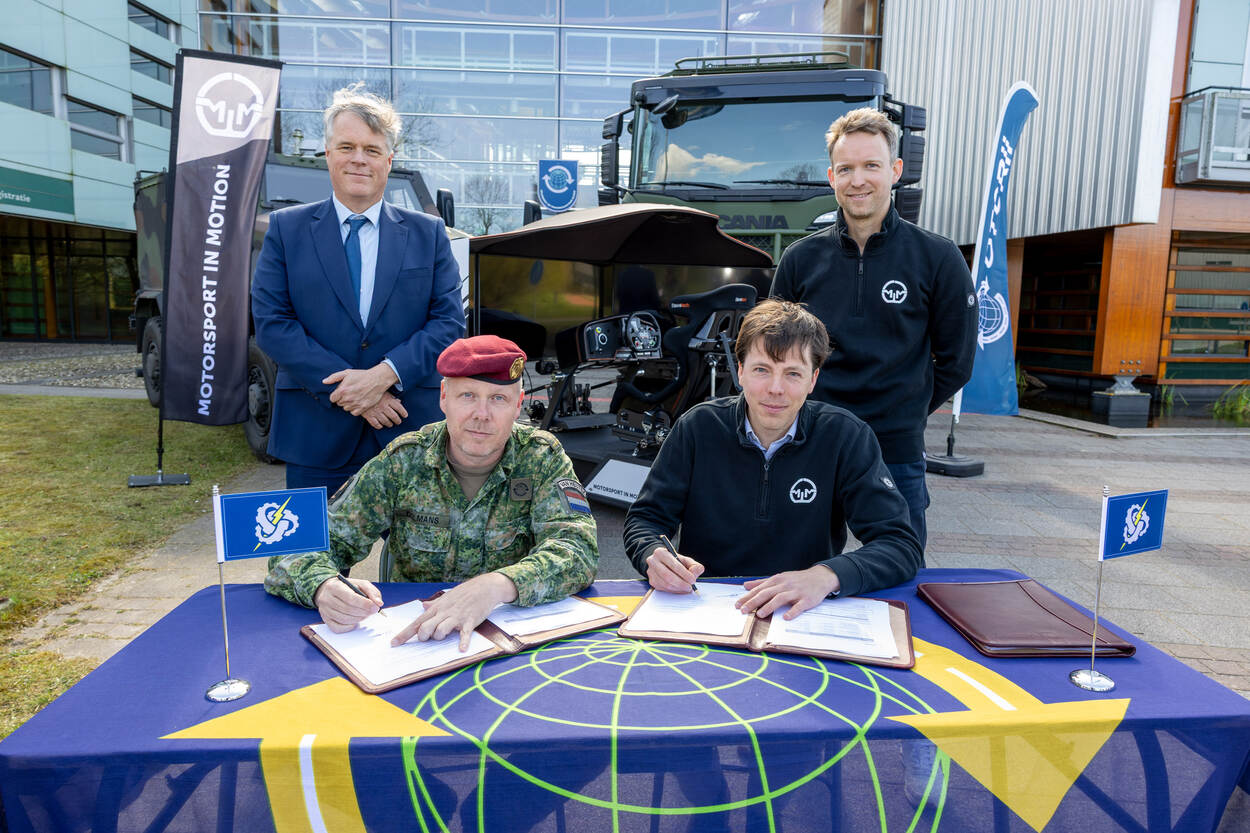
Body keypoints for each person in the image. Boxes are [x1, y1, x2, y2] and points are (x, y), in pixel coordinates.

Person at [264, 335, 599, 650]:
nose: (481, 415)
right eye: (467, 396)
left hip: (507, 640)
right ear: (443, 397)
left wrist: (496, 585)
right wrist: (325, 587)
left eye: (498, 399)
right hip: (416, 642)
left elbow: (578, 549)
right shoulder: (404, 462)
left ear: (518, 405)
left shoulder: (541, 458)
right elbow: (301, 543)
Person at [623, 299, 921, 618]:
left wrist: (827, 576)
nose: (775, 389)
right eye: (762, 370)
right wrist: (652, 554)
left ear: (813, 380)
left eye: (793, 373)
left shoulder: (846, 436)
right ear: (740, 372)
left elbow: (900, 544)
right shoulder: (697, 428)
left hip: (803, 612)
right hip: (705, 607)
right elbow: (646, 519)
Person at [770, 107, 977, 552]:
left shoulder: (938, 258)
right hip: (812, 439)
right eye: (846, 168)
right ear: (831, 176)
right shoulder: (800, 260)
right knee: (795, 570)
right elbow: (775, 353)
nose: (858, 179)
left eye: (871, 166)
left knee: (899, 572)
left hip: (896, 447)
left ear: (896, 171)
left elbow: (957, 362)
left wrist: (906, 406)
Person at [252, 84, 464, 494]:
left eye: (371, 149)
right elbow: (274, 325)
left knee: (415, 560)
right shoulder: (286, 230)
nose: (359, 160)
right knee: (318, 559)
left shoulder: (429, 233)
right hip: (317, 434)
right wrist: (359, 393)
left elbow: (448, 324)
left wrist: (384, 375)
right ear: (328, 154)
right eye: (347, 146)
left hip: (407, 431)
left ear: (389, 158)